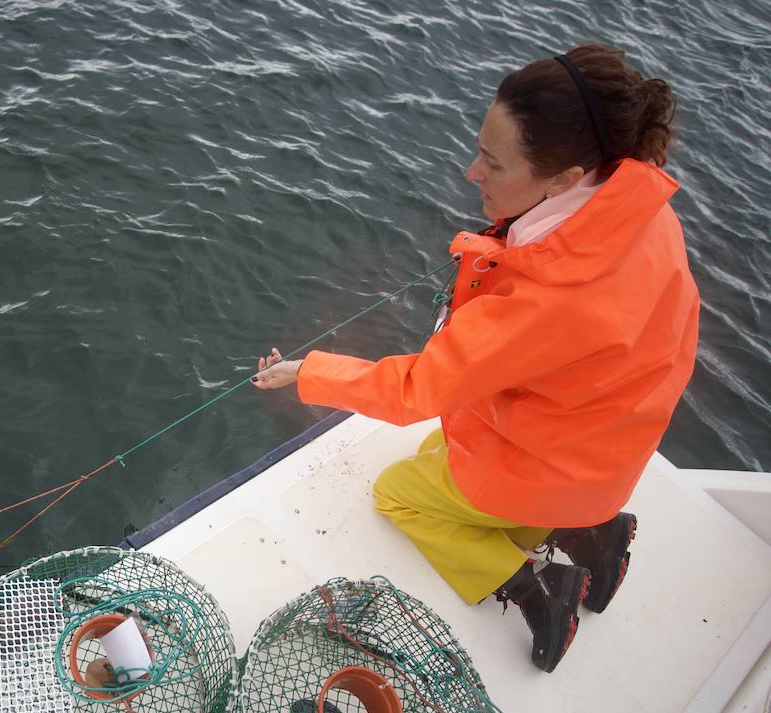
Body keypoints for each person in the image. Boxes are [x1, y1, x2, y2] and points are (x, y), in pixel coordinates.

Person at [252, 44, 699, 673]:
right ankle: (594, 528)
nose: (470, 172)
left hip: (556, 467)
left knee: (399, 493)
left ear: (565, 178)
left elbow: (417, 391)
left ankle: (541, 589)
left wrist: (308, 372)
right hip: (606, 449)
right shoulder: (641, 214)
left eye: (491, 160)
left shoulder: (548, 302)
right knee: (446, 457)